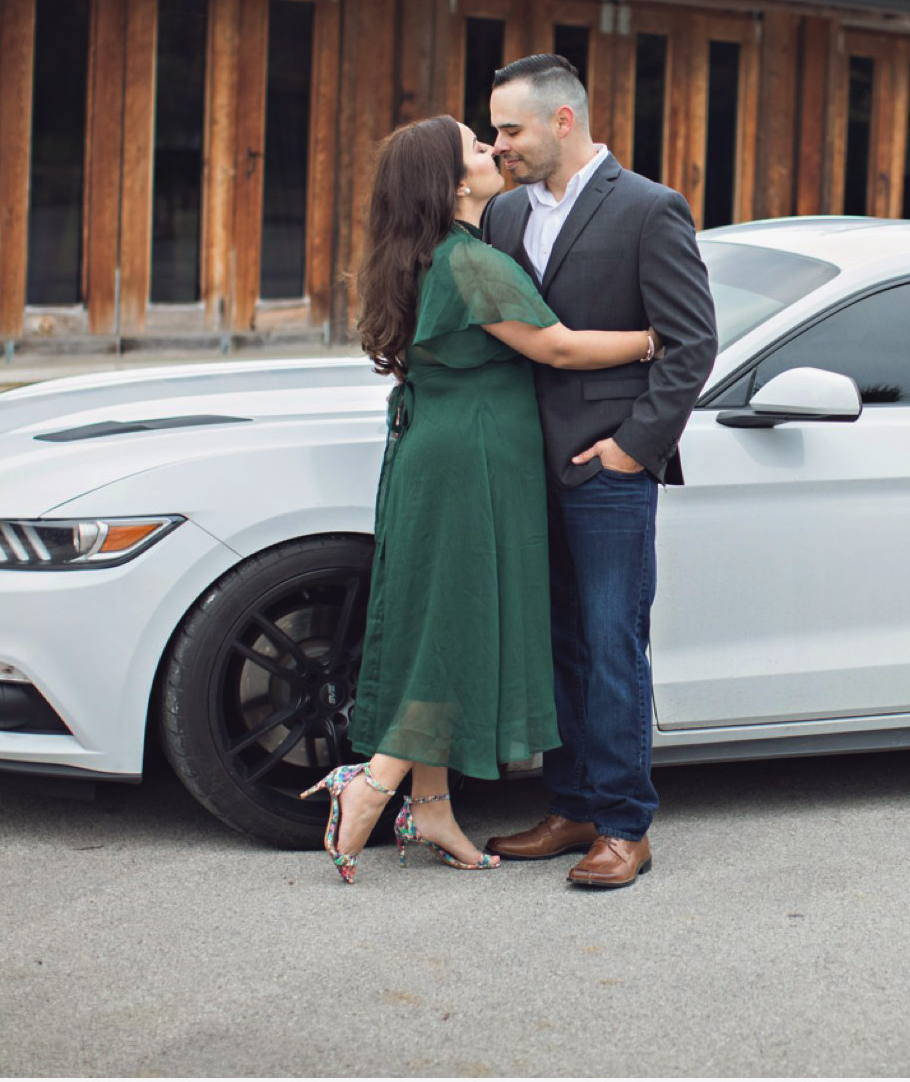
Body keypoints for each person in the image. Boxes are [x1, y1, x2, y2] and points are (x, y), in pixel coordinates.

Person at [302, 115, 661, 883]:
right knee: (458, 622)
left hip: (440, 448)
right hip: (469, 463)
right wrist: (649, 341)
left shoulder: (429, 255)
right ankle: (373, 782)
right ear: (456, 183)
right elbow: (558, 346)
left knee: (438, 615)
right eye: (476, 145)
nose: (493, 150)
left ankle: (431, 804)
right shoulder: (471, 262)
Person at [480, 54, 718, 889]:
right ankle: (572, 803)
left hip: (609, 472)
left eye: (510, 128)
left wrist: (631, 447)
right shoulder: (504, 217)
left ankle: (625, 823)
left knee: (615, 642)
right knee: (559, 645)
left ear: (562, 121)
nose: (499, 143)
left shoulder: (650, 209)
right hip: (524, 470)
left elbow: (691, 344)